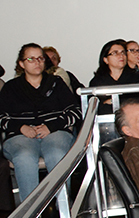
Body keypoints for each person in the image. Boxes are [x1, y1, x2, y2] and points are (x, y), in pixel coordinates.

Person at [0, 43, 81, 203]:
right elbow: (1, 117)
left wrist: (50, 126)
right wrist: (21, 127)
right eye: (31, 59)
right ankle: (30, 214)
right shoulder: (11, 87)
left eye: (40, 58)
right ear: (21, 64)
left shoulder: (56, 83)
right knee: (24, 157)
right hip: (20, 136)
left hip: (55, 132)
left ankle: (64, 207)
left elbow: (75, 111)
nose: (37, 62)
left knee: (56, 153)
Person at [90, 39, 139, 113]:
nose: (121, 56)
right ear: (105, 59)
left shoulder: (136, 79)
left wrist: (112, 101)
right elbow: (96, 108)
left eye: (123, 52)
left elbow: (138, 104)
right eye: (115, 53)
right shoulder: (97, 82)